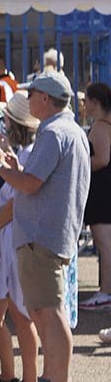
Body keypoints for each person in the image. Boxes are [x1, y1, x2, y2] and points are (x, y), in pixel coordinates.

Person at [0, 69, 92, 382]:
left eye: (32, 95)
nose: (27, 100)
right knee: (46, 311)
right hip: (51, 232)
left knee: (49, 311)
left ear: (45, 99)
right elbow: (36, 180)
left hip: (42, 235)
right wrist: (11, 165)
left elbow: (29, 185)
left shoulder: (54, 132)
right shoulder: (69, 131)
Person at [0, 92, 41, 382]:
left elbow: (15, 203)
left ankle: (28, 381)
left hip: (14, 241)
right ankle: (10, 374)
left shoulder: (30, 154)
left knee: (20, 315)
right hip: (8, 244)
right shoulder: (24, 153)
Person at [79, 82, 111, 309]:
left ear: (95, 102)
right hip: (103, 190)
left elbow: (101, 159)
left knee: (105, 244)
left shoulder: (100, 126)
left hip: (102, 192)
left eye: (86, 100)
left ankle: (105, 292)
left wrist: (77, 165)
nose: (83, 104)